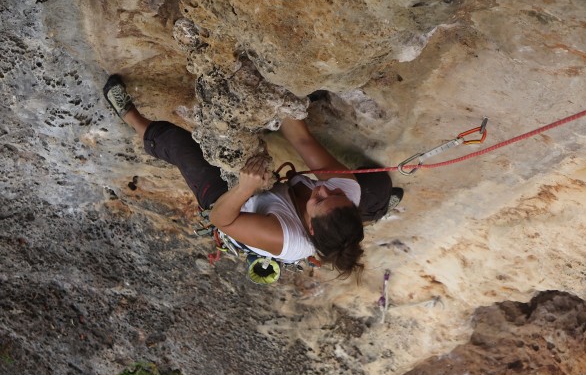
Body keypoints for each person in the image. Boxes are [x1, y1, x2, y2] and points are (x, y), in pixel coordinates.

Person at [103, 75, 401, 279]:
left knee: (178, 144)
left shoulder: (286, 238)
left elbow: (222, 219)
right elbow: (302, 141)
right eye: (336, 196)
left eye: (320, 200)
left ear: (309, 225)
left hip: (234, 207)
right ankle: (371, 215)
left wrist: (244, 188)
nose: (323, 189)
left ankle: (129, 115)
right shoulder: (344, 189)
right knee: (377, 186)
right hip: (308, 210)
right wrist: (277, 94)